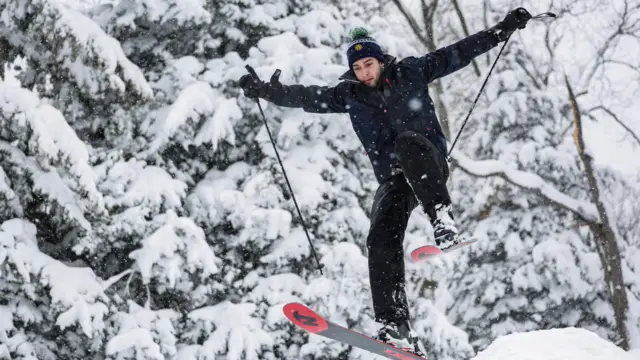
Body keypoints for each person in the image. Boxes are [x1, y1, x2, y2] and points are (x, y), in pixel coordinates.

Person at [238, 8, 533, 355]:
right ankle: (396, 325)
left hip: (428, 160)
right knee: (380, 235)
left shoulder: (410, 72)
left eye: (369, 65)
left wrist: (501, 31)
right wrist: (269, 92)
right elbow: (307, 97)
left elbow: (457, 53)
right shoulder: (349, 95)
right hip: (395, 178)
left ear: (380, 61)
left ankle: (443, 220)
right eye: (358, 68)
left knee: (406, 142)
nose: (364, 73)